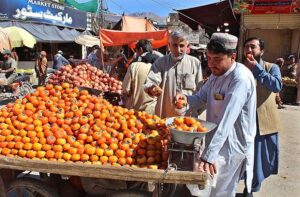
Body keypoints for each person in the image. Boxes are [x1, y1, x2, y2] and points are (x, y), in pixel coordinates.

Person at [175, 33, 257, 196]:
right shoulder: (215, 75)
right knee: (206, 188)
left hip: (232, 145)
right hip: (215, 141)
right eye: (209, 58)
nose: (211, 64)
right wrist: (185, 99)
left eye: (217, 59)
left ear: (232, 56)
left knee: (221, 191)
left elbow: (226, 121)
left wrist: (209, 155)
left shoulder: (240, 79)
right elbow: (200, 97)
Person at [242, 37, 282, 196]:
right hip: (242, 120)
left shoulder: (271, 67)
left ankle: (250, 188)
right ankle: (246, 185)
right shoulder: (239, 68)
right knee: (241, 156)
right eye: (246, 47)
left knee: (259, 160)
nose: (249, 50)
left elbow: (277, 85)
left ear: (262, 51)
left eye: (253, 47)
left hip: (262, 122)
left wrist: (257, 69)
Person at [144, 31, 203, 118]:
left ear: (187, 46)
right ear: (169, 45)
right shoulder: (161, 62)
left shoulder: (195, 63)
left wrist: (196, 110)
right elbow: (150, 82)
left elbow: (200, 91)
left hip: (188, 119)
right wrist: (152, 88)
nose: (178, 50)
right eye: (175, 45)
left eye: (181, 46)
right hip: (165, 116)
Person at [122, 39, 159, 114]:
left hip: (136, 111)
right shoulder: (159, 64)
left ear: (141, 49)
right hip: (153, 109)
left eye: (136, 50)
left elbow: (126, 90)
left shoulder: (134, 66)